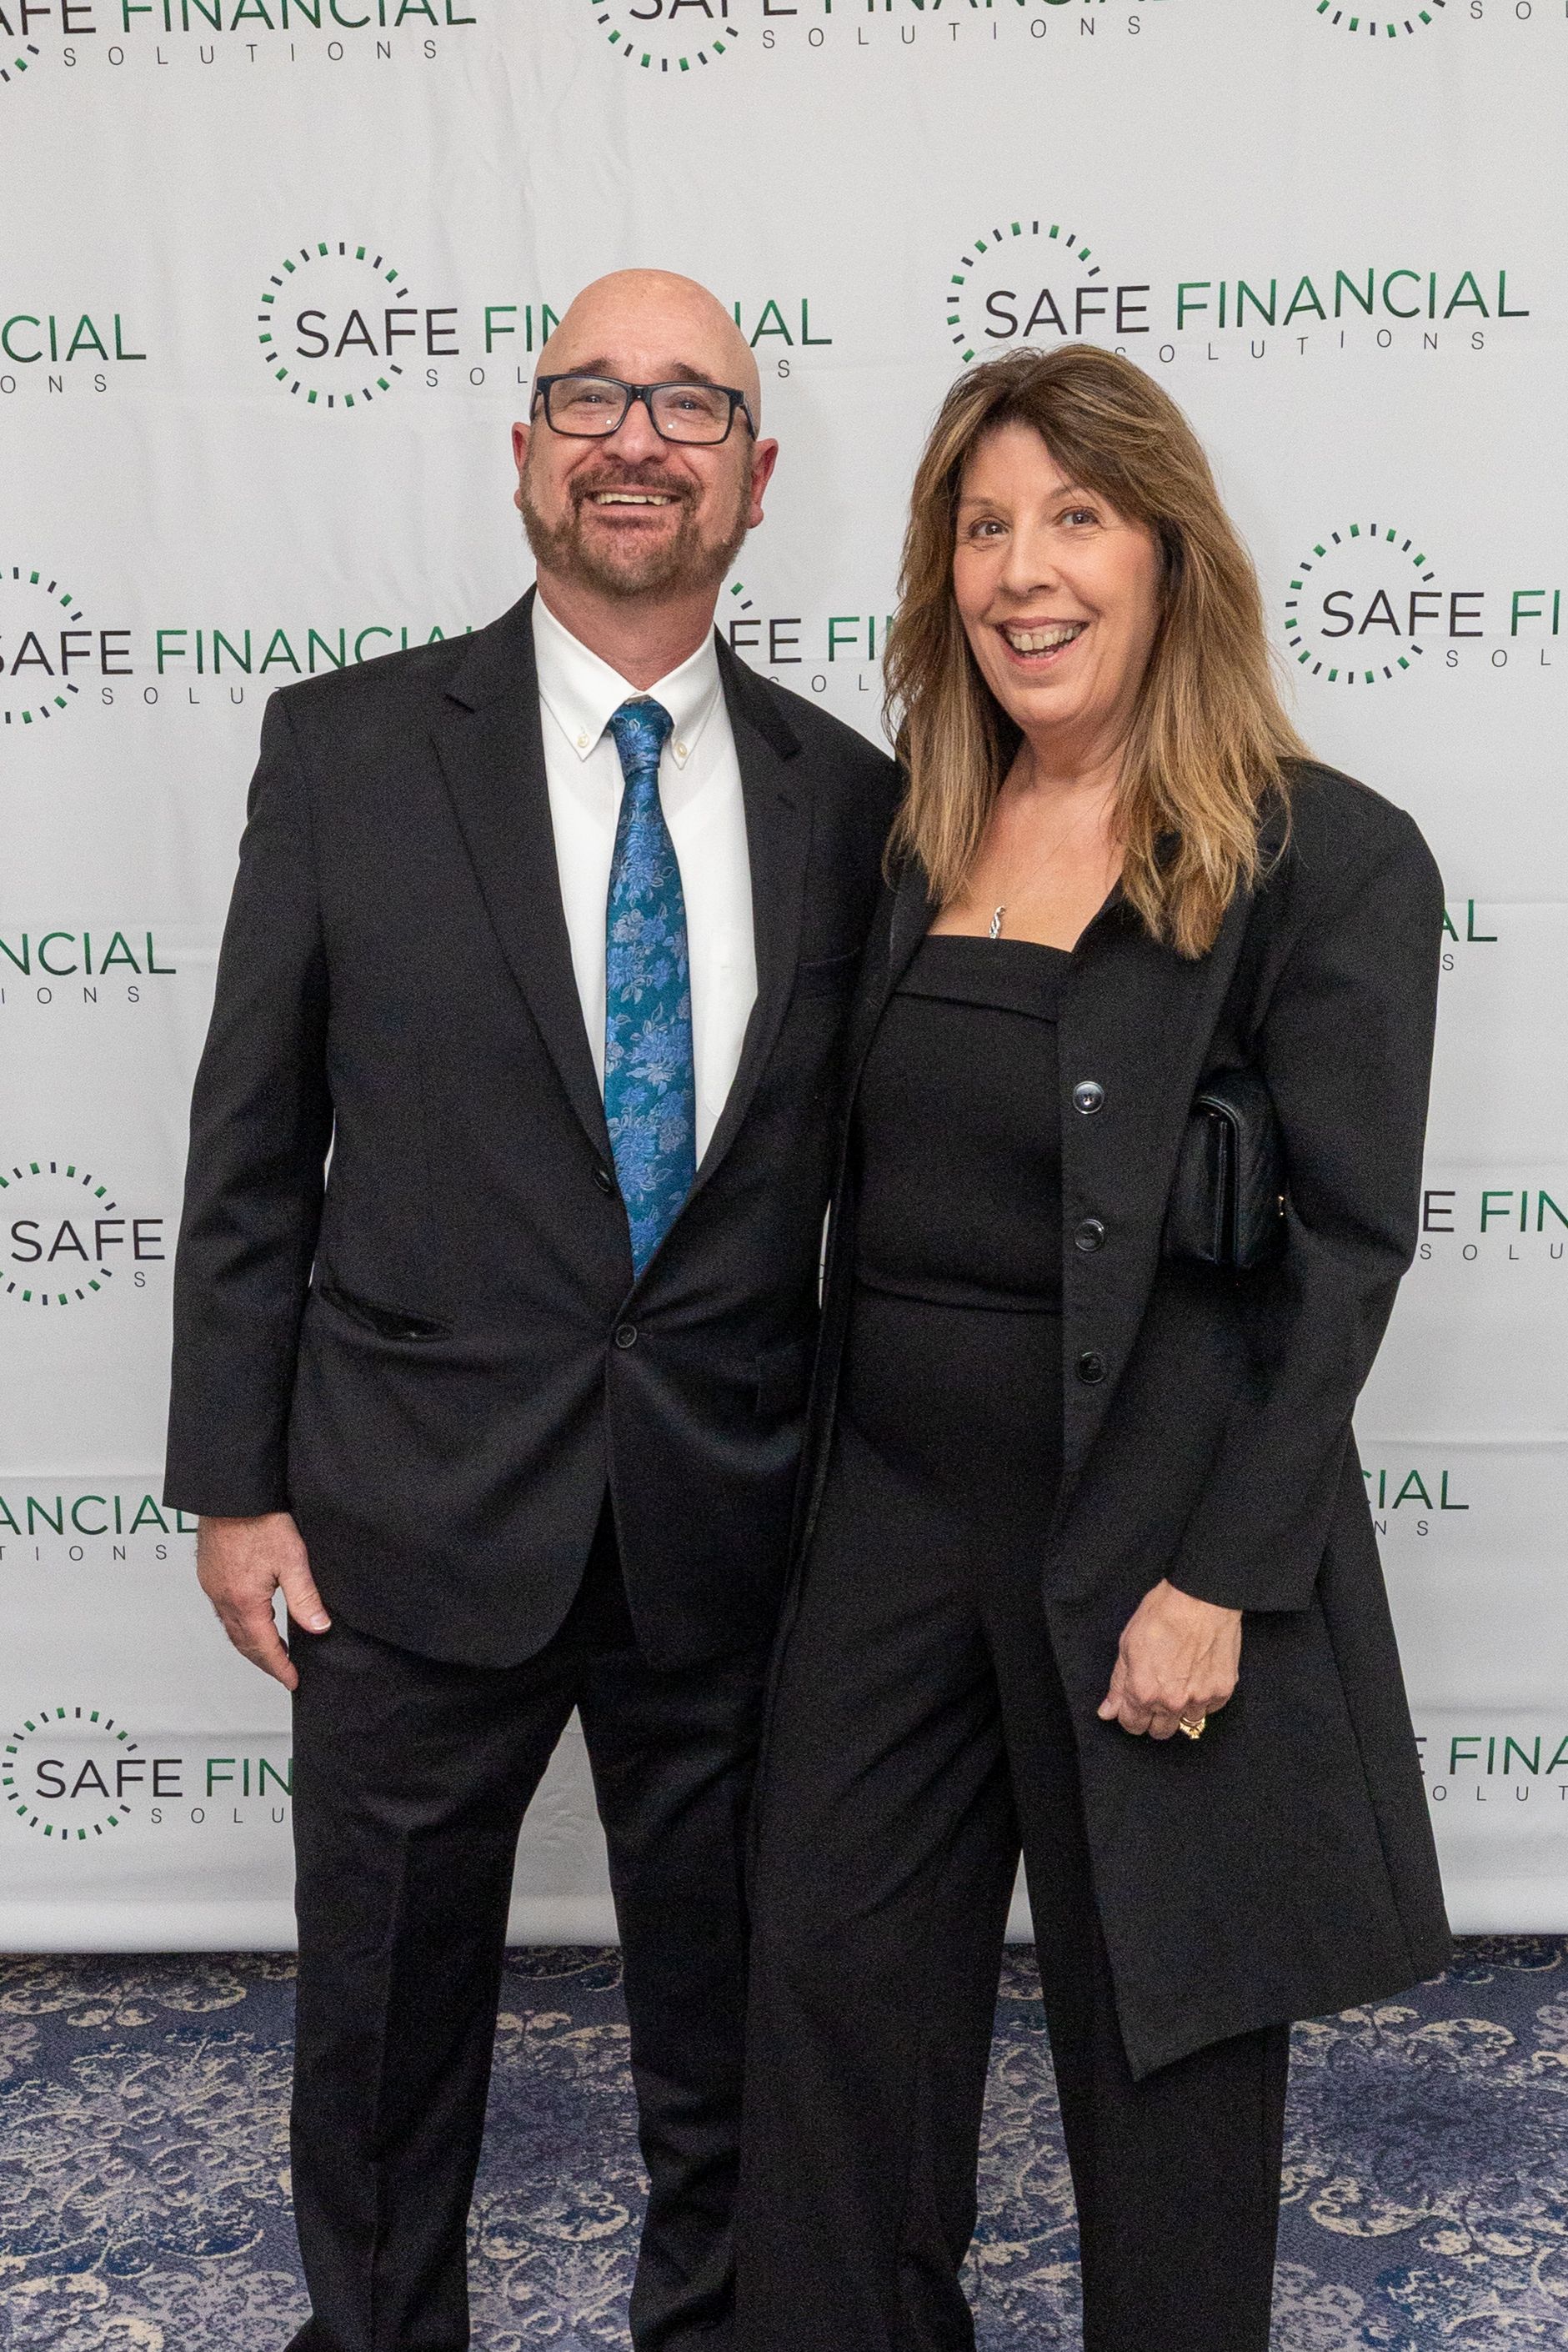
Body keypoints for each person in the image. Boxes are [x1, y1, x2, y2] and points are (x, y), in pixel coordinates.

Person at [163, 268, 897, 2352]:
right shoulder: (347, 750)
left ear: (756, 473)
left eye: (687, 403)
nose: (634, 437)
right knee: (381, 2040)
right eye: (589, 394)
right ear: (521, 451)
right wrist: (232, 1484)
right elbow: (251, 1145)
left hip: (731, 1529)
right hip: (399, 1518)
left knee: (734, 2030)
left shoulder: (854, 803)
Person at [734, 344, 1451, 2352]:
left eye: (1073, 518)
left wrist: (1219, 1577)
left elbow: (1343, 1257)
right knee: (827, 2000)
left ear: (1164, 556)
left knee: (1164, 2059)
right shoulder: (908, 836)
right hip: (886, 1523)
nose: (1020, 571)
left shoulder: (1321, 857)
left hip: (1147, 1537)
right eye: (981, 528)